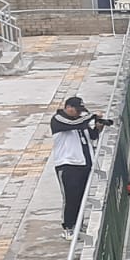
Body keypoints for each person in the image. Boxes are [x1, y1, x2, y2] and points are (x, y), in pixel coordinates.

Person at [49, 96, 111, 239]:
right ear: (68, 107)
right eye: (77, 110)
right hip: (67, 165)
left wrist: (97, 127)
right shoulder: (59, 119)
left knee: (81, 197)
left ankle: (78, 224)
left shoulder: (79, 123)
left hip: (84, 164)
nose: (78, 113)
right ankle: (68, 227)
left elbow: (92, 136)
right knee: (70, 198)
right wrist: (91, 116)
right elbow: (75, 123)